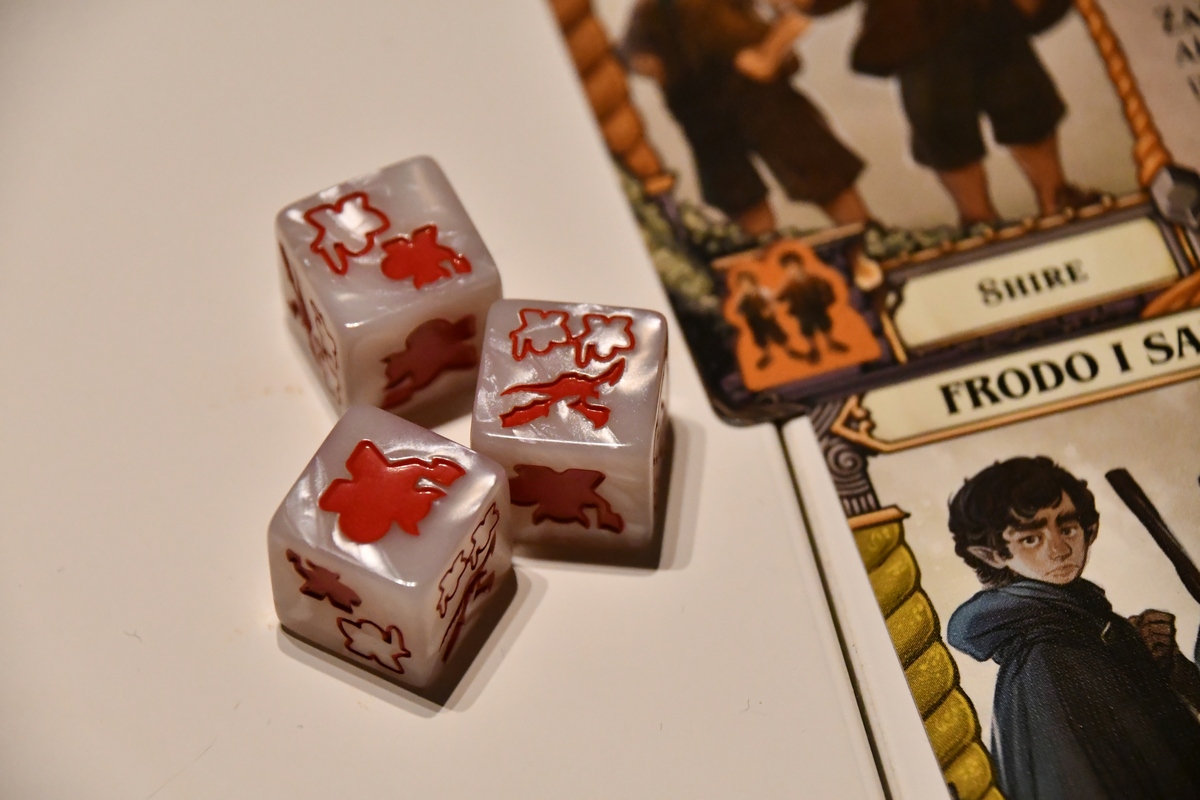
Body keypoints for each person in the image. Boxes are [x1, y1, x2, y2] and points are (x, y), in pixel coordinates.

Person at [945, 456, 1200, 799]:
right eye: (1031, 539)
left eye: (1067, 529)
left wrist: (1165, 665)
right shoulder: (1045, 660)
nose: (1060, 549)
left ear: (1088, 530)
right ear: (993, 555)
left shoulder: (1096, 628)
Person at [789, 0, 1097, 227]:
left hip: (990, 13)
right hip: (916, 29)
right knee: (941, 124)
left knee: (1023, 101)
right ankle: (977, 219)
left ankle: (1056, 198)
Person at [622, 0, 872, 235]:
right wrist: (648, 63)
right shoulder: (651, 10)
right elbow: (634, 54)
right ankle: (772, 261)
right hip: (699, 111)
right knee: (739, 198)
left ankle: (870, 248)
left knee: (824, 177)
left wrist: (768, 55)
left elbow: (800, 12)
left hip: (761, 97)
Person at [775, 252, 846, 362]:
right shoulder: (789, 285)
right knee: (807, 331)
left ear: (800, 265)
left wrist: (827, 298)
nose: (793, 270)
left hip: (818, 308)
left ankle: (830, 343)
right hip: (802, 312)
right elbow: (779, 298)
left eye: (795, 266)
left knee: (825, 325)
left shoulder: (813, 278)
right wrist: (783, 284)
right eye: (789, 268)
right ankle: (814, 349)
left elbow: (826, 286)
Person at [733, 270, 805, 367]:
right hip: (754, 322)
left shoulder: (763, 291)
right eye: (743, 284)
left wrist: (770, 310)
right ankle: (767, 355)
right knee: (760, 339)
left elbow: (774, 301)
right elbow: (739, 311)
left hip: (768, 320)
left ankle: (789, 350)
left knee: (778, 335)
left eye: (747, 283)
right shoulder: (741, 297)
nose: (746, 286)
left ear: (752, 281)